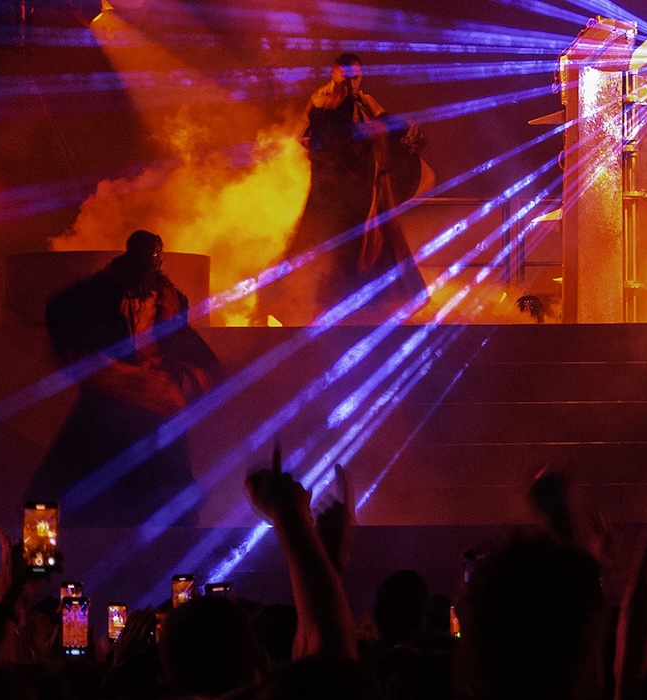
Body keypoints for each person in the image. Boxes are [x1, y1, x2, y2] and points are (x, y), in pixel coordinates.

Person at [28, 230, 223, 527]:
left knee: (168, 493)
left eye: (155, 257)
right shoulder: (103, 290)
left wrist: (186, 375)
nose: (151, 264)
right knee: (51, 490)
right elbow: (60, 310)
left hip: (153, 404)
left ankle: (174, 559)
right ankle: (36, 565)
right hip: (111, 402)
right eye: (145, 257)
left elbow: (177, 339)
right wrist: (87, 362)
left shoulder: (169, 297)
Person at [258, 53, 428, 326]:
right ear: (334, 75)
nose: (350, 82)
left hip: (365, 198)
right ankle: (309, 318)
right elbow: (326, 142)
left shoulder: (364, 102)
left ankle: (367, 319)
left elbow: (389, 128)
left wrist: (403, 130)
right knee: (327, 260)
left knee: (376, 259)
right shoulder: (324, 103)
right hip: (335, 199)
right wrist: (367, 132)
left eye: (355, 76)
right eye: (345, 76)